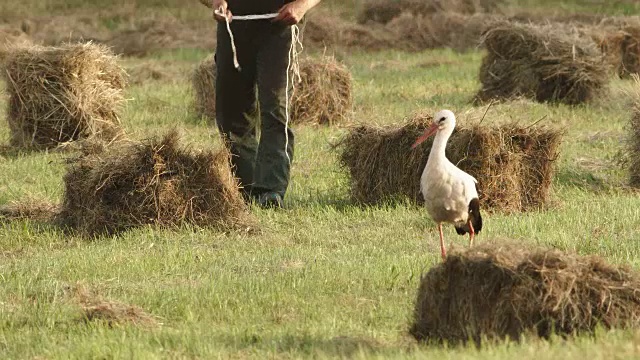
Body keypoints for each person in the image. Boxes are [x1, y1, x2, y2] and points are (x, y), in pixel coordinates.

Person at [200, 0, 322, 208]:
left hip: (279, 28)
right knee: (231, 114)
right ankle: (245, 189)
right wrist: (215, 2)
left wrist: (302, 5)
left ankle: (271, 191)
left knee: (274, 108)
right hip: (233, 27)